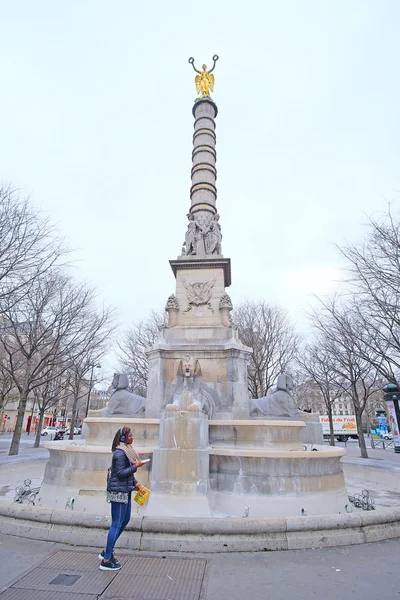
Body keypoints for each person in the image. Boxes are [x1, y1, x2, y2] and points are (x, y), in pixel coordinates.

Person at [99, 426, 145, 571]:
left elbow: (127, 472)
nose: (133, 437)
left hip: (125, 490)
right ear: (123, 438)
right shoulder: (120, 453)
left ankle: (108, 549)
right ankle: (106, 559)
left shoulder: (127, 452)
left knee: (125, 520)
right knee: (117, 523)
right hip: (118, 492)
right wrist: (136, 466)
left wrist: (135, 483)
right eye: (130, 435)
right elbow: (119, 473)